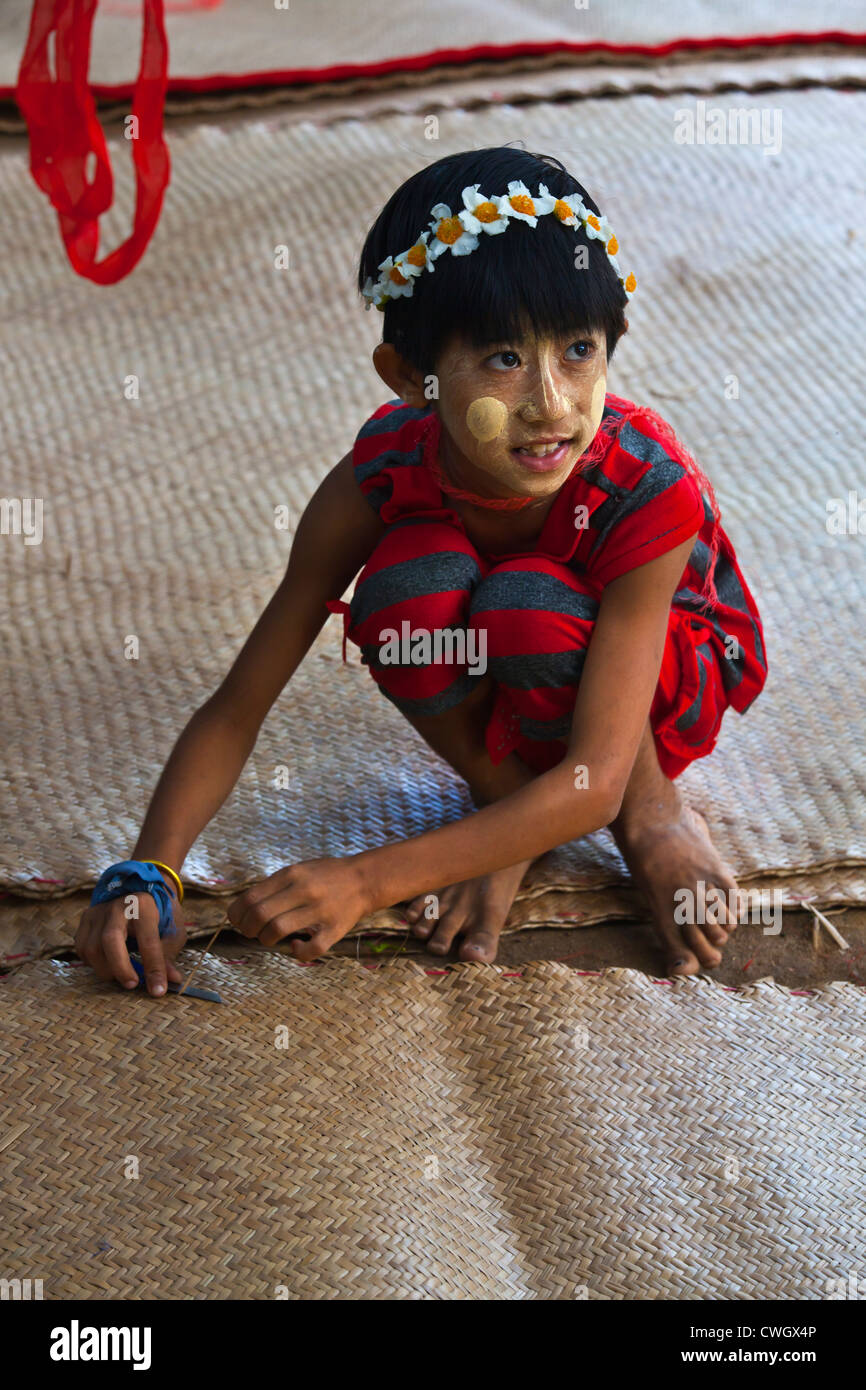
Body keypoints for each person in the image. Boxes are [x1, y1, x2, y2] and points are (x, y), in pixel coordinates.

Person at [74, 146, 767, 995]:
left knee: (526, 606)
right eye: (504, 359)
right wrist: (150, 872)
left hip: (663, 668)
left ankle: (652, 816)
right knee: (406, 590)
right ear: (411, 378)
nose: (552, 404)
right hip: (512, 657)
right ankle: (507, 800)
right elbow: (237, 706)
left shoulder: (647, 490)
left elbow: (591, 783)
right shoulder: (378, 477)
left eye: (579, 349)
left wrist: (367, 880)